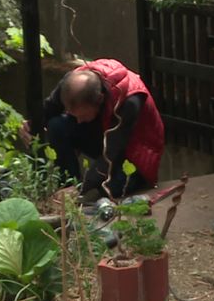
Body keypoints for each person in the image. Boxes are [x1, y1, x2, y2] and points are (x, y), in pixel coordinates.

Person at [19, 58, 164, 201]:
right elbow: (49, 108)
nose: (78, 121)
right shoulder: (70, 84)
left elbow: (112, 152)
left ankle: (74, 190)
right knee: (57, 126)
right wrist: (29, 125)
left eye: (82, 115)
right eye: (73, 115)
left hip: (135, 151)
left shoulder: (129, 101)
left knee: (109, 190)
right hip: (104, 131)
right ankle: (65, 185)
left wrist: (81, 187)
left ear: (100, 99)